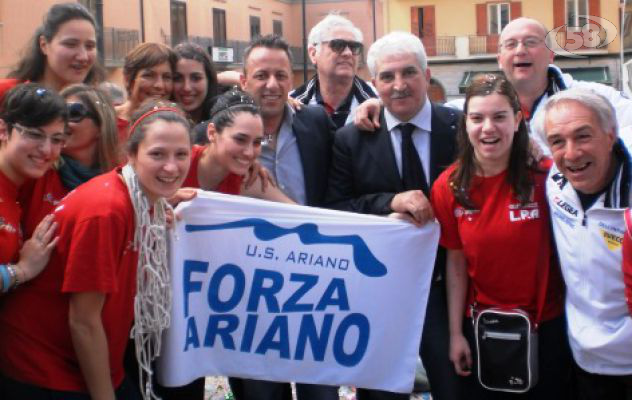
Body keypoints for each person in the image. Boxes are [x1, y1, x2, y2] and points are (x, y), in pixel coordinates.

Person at [0, 100, 193, 400]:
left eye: (181, 154)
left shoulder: (143, 199)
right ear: (131, 154)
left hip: (84, 361)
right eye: (157, 154)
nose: (171, 166)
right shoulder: (107, 210)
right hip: (44, 367)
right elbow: (83, 321)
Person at [325, 31, 460, 400]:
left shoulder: (462, 128)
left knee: (454, 388)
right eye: (387, 77)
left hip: (450, 292)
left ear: (427, 74)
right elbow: (336, 209)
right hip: (379, 294)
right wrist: (390, 202)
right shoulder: (351, 139)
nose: (399, 85)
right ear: (373, 84)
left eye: (408, 73)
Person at [430, 74, 569, 399]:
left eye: (499, 117)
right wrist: (454, 334)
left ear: (518, 120)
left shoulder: (547, 176)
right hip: (482, 330)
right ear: (466, 123)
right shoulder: (449, 186)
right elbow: (455, 263)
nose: (488, 128)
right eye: (477, 118)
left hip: (546, 328)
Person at [230, 34, 338, 400]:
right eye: (261, 76)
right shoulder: (218, 134)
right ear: (243, 81)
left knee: (320, 392)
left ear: (293, 79)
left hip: (314, 284)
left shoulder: (317, 124)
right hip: (250, 292)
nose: (272, 85)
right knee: (261, 393)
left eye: (281, 75)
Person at [533, 87, 632, 399]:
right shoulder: (555, 181)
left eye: (583, 136)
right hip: (580, 358)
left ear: (611, 134)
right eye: (558, 142)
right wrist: (378, 108)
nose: (572, 153)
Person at [19, 83, 120, 240]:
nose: (62, 122)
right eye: (58, 114)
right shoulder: (36, 172)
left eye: (73, 113)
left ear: (101, 125)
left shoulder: (121, 182)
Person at [0, 84, 64, 293]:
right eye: (34, 135)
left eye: (56, 139)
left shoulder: (19, 188)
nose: (46, 149)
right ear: (3, 130)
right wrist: (22, 270)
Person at [0, 3, 102, 103]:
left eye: (90, 46)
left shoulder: (100, 109)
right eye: (70, 44)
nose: (83, 57)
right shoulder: (5, 95)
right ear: (44, 45)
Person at [290, 13, 377, 129]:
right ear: (313, 53)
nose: (348, 53)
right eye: (338, 45)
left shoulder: (380, 100)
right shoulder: (291, 106)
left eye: (353, 46)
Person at [115, 42, 177, 141]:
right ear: (128, 79)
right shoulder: (106, 123)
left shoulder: (177, 126)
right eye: (148, 75)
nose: (159, 85)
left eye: (166, 77)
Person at [173, 42, 219, 126]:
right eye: (177, 78)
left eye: (196, 78)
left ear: (209, 80)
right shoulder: (156, 124)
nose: (187, 88)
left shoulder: (224, 122)